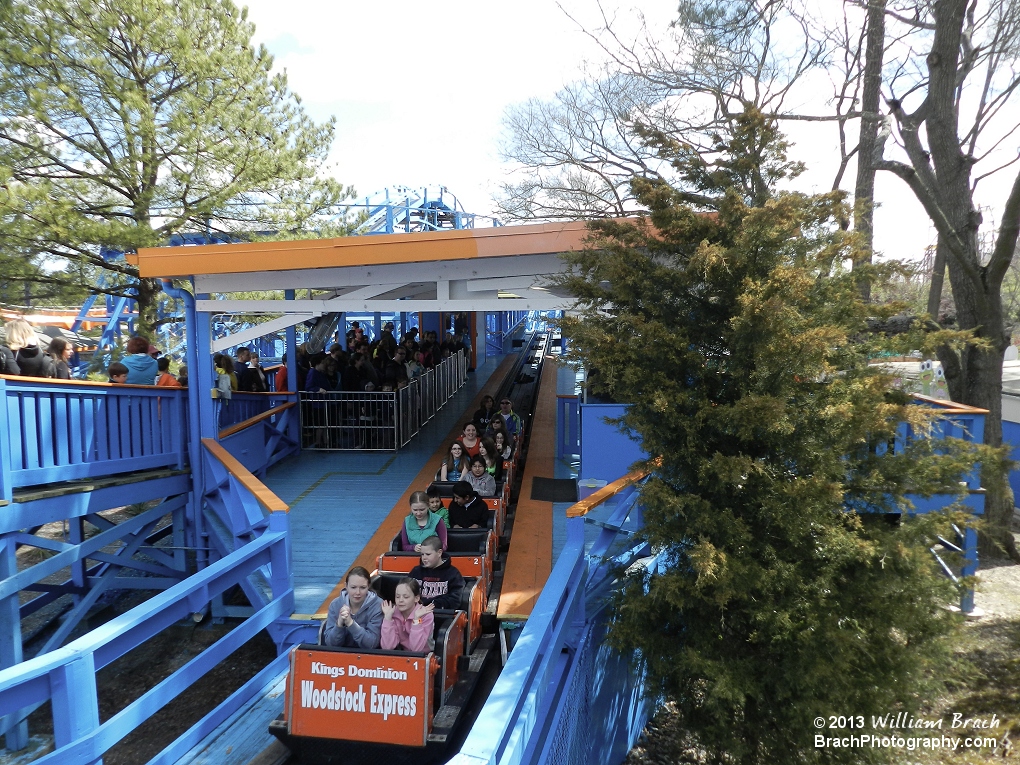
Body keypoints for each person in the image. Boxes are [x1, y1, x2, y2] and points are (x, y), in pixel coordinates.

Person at [321, 566, 383, 649]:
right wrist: (339, 624)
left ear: (368, 586)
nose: (357, 592)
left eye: (362, 588)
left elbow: (371, 644)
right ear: (346, 586)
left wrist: (351, 623)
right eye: (353, 587)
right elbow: (330, 644)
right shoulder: (335, 605)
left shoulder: (378, 606)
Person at [408, 536, 465, 610]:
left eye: (428, 554)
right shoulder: (416, 571)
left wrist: (435, 605)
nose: (424, 558)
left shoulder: (453, 574)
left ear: (439, 553)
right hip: (416, 613)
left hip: (440, 614)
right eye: (422, 554)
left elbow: (455, 600)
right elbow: (406, 592)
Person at [380, 577, 434, 652]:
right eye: (397, 597)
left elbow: (416, 649)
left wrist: (416, 620)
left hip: (424, 656)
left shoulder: (426, 615)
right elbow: (387, 647)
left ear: (416, 598)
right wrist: (388, 618)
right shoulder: (393, 613)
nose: (400, 600)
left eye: (406, 597)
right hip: (402, 656)